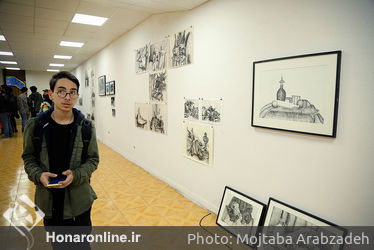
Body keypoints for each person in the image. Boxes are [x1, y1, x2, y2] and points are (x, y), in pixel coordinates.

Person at [22, 71, 99, 249]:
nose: (67, 97)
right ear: (51, 94)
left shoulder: (86, 127)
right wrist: (39, 175)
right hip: (49, 203)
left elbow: (93, 160)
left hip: (79, 203)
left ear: (77, 96)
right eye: (61, 91)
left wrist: (77, 174)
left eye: (72, 92)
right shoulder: (35, 126)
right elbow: (28, 158)